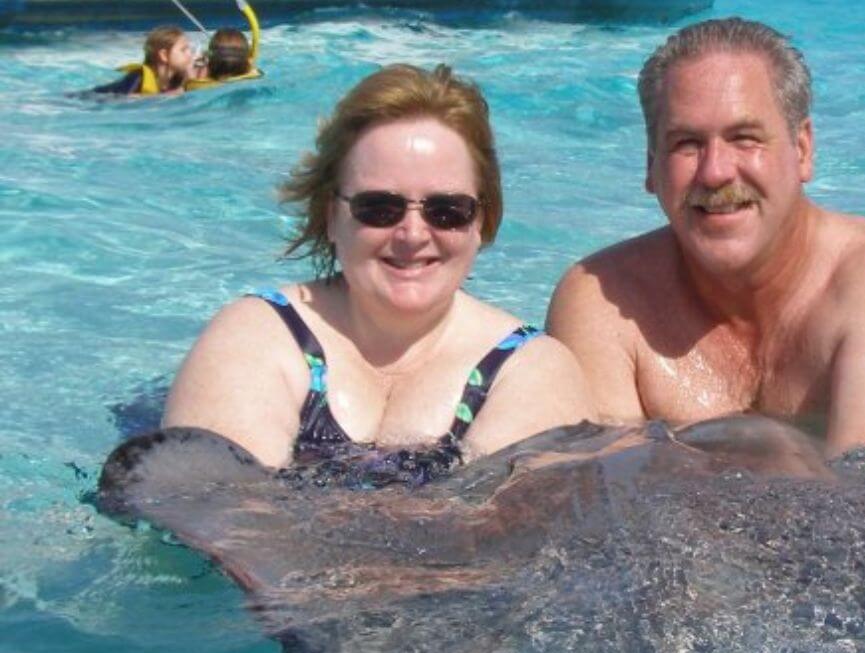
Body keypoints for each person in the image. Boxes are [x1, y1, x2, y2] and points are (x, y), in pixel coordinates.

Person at [547, 17, 865, 456]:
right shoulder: (602, 300)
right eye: (687, 143)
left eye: (745, 138)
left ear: (802, 150)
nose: (715, 171)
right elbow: (609, 501)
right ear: (651, 167)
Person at [163, 64, 593, 470]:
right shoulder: (261, 335)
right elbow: (217, 515)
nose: (412, 234)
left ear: (481, 221)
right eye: (379, 208)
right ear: (331, 215)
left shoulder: (528, 371)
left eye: (447, 210)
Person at [90, 26, 196, 96]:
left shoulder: (177, 79)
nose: (190, 54)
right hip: (90, 99)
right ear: (164, 55)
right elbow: (123, 101)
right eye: (183, 50)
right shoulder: (138, 78)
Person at [186, 0, 264, 89]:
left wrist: (191, 66)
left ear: (210, 65)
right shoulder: (251, 81)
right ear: (247, 63)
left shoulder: (195, 83)